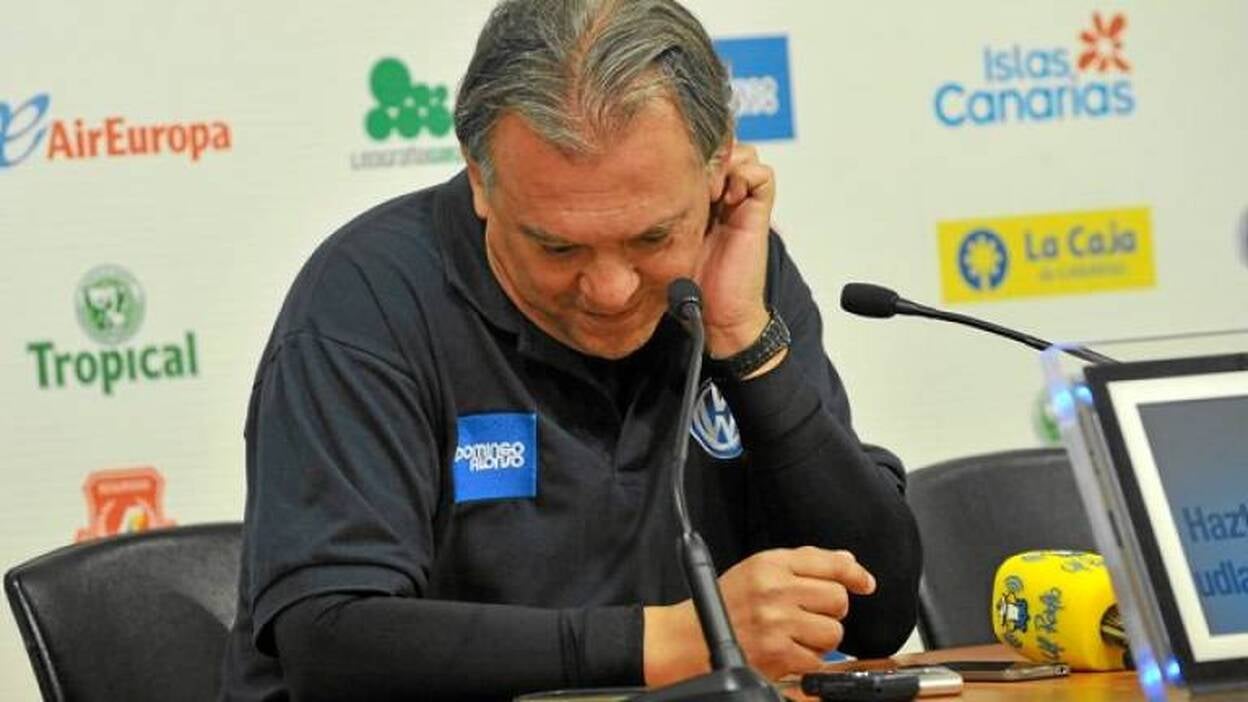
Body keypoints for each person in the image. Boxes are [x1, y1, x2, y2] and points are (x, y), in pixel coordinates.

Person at [219, 0, 921, 699]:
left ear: (718, 170)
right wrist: (662, 643)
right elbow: (331, 643)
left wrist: (745, 339)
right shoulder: (367, 299)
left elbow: (876, 615)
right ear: (480, 179)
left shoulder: (735, 269)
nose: (611, 291)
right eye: (557, 247)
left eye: (652, 238)